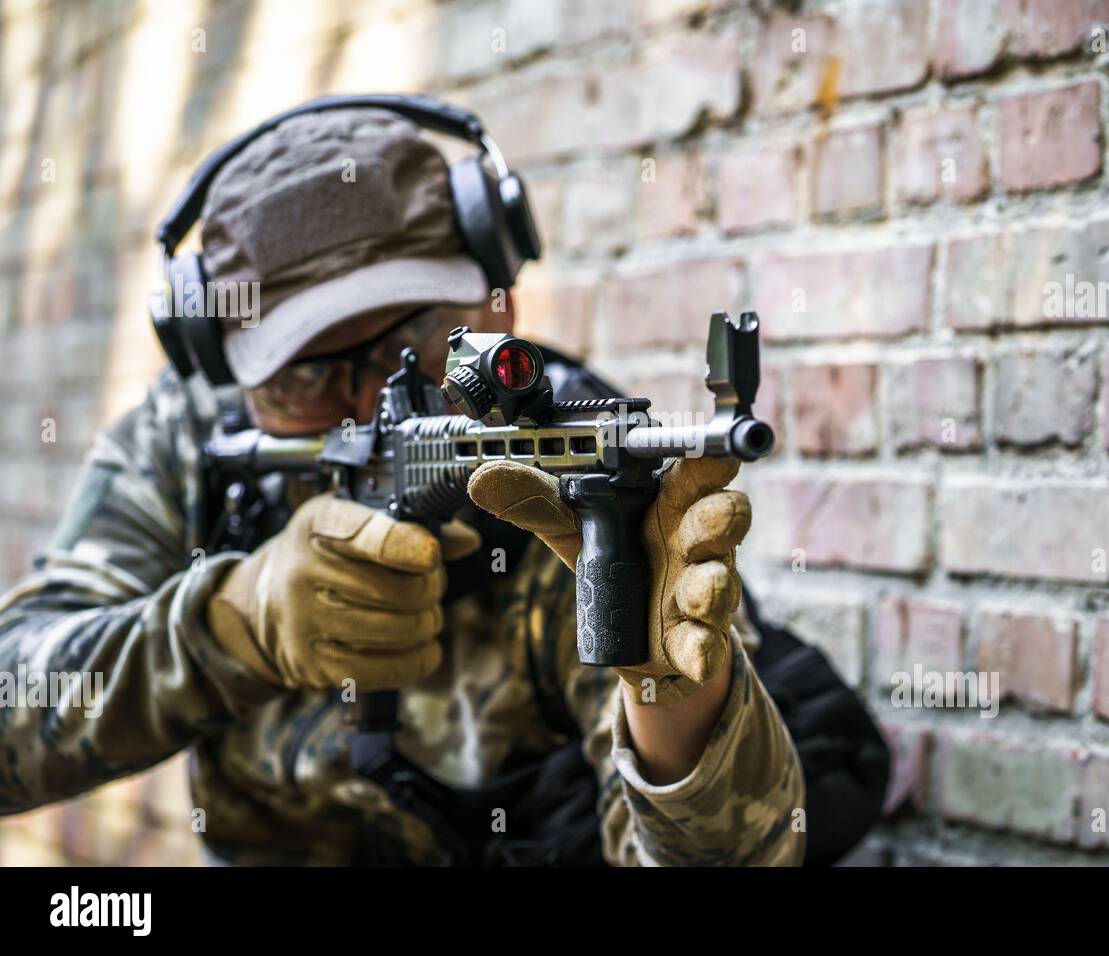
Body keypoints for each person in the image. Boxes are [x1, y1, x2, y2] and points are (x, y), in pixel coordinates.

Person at [0, 102, 807, 865]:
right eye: (303, 374)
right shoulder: (190, 446)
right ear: (229, 376)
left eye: (421, 337)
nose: (367, 401)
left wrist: (676, 718)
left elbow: (743, 856)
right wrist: (230, 626)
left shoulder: (570, 466)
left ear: (500, 306)